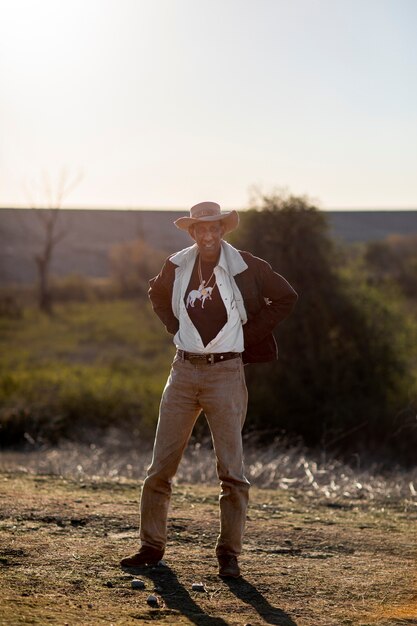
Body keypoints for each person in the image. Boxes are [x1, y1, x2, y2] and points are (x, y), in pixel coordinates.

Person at [120, 201, 298, 578]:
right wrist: (175, 327)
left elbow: (286, 297)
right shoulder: (178, 263)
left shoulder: (246, 265)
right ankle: (150, 547)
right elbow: (156, 293)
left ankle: (228, 555)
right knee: (159, 470)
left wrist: (246, 336)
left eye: (214, 228)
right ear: (193, 232)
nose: (208, 235)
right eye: (201, 229)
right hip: (182, 372)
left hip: (226, 374)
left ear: (222, 230)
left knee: (232, 473)